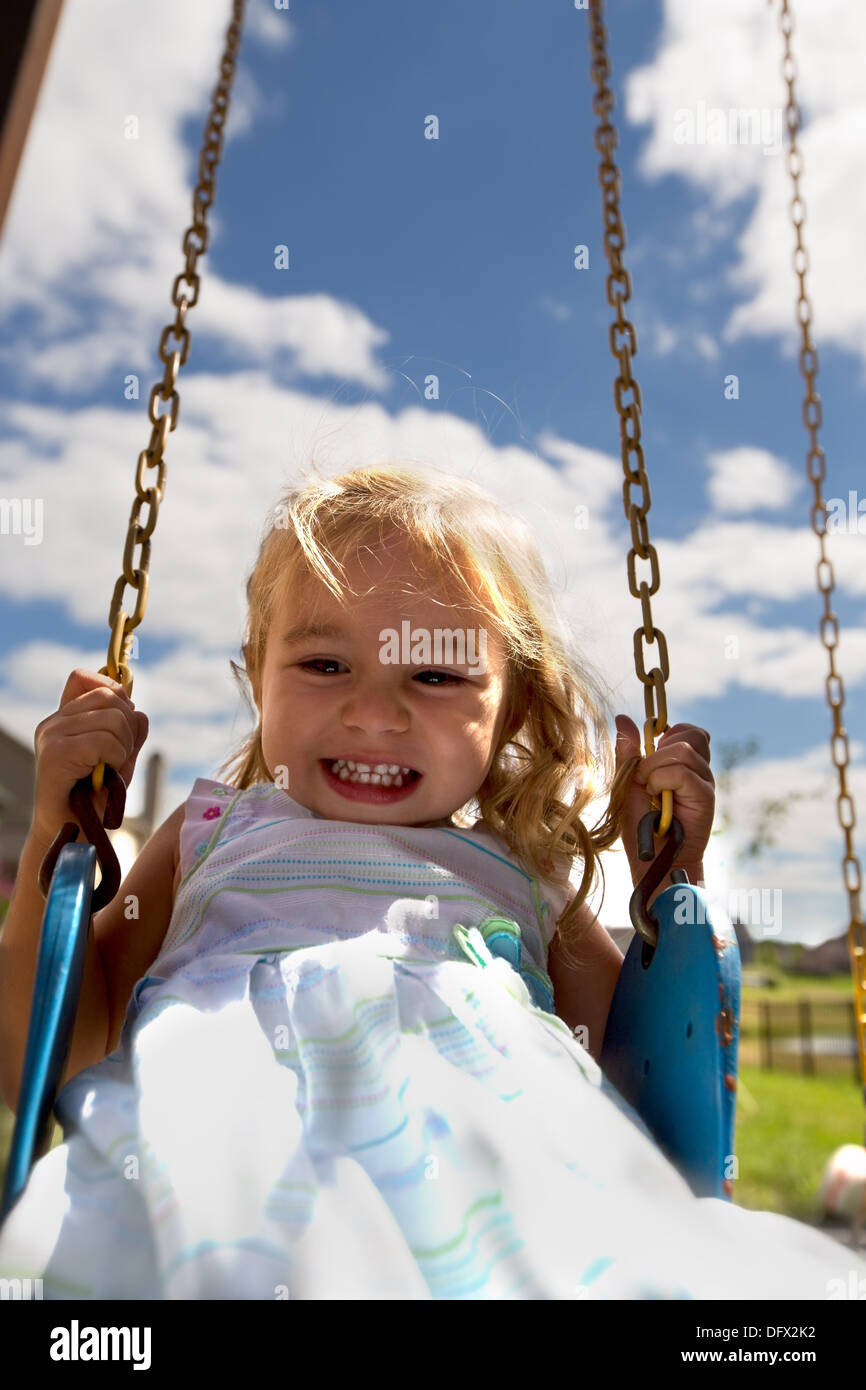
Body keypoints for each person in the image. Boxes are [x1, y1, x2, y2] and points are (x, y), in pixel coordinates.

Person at [0, 461, 863, 1300]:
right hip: (215, 1140)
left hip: (493, 1169)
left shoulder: (525, 875)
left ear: (513, 706)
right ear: (258, 673)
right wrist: (54, 833)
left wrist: (667, 877)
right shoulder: (209, 838)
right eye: (325, 665)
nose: (375, 713)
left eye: (437, 675)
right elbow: (46, 1047)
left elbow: (641, 1066)